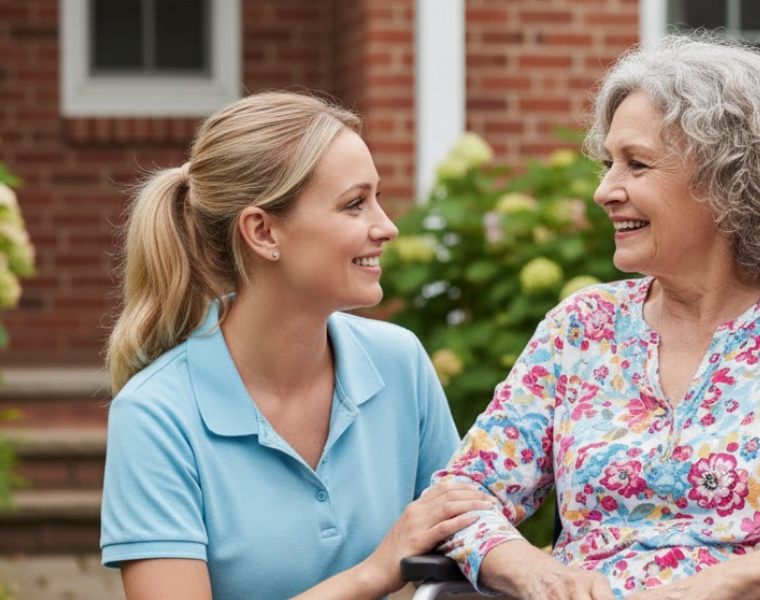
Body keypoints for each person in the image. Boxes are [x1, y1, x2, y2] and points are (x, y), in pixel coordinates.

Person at [432, 34, 760, 600]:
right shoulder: (581, 327)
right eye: (607, 164)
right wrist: (534, 572)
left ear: (728, 177)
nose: (605, 190)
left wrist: (713, 588)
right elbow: (461, 493)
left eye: (636, 165)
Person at [101, 90, 493, 600]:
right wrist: (374, 573)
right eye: (355, 204)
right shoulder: (155, 414)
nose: (387, 226)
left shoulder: (399, 363)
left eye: (377, 198)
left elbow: (466, 540)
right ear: (263, 232)